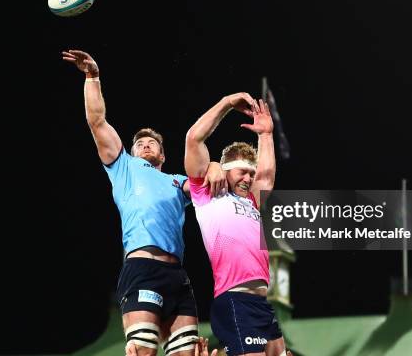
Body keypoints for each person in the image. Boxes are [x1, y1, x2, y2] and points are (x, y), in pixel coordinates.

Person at [62, 49, 227, 356]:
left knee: (188, 354)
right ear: (133, 151)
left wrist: (216, 165)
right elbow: (97, 122)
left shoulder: (177, 181)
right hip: (141, 269)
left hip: (178, 276)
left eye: (152, 142)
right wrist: (92, 77)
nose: (145, 143)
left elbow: (212, 184)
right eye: (139, 142)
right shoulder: (122, 166)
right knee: (142, 352)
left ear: (162, 155)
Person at [184, 93, 288, 356]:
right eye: (242, 171)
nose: (248, 178)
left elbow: (266, 176)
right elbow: (193, 139)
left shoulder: (251, 201)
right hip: (235, 299)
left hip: (261, 304)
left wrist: (265, 135)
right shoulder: (208, 193)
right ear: (227, 170)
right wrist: (227, 103)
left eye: (250, 173)